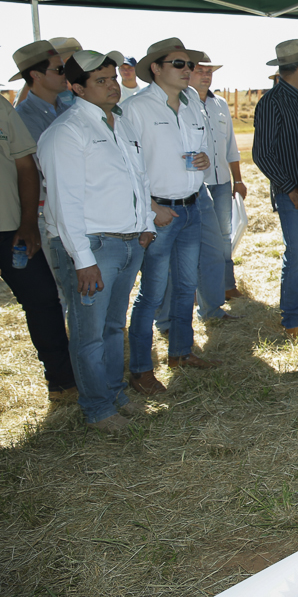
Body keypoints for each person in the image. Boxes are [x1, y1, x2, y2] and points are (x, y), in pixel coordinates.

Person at [40, 50, 155, 433]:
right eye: (101, 81)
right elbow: (64, 200)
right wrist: (82, 259)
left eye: (112, 79)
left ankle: (114, 393)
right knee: (89, 334)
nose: (112, 87)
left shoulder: (119, 124)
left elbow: (137, 180)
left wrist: (145, 224)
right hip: (91, 246)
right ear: (76, 88)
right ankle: (97, 407)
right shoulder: (66, 132)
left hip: (125, 242)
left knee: (110, 328)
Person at [123, 38, 218, 394]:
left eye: (189, 65)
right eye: (179, 64)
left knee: (185, 287)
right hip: (160, 212)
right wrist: (151, 209)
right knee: (151, 292)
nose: (187, 70)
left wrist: (205, 162)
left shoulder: (193, 103)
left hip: (191, 206)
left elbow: (202, 149)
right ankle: (141, 369)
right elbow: (128, 168)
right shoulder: (136, 108)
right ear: (156, 69)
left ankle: (180, 352)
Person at [1, 64, 75, 404]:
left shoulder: (2, 108)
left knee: (44, 301)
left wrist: (28, 221)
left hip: (11, 228)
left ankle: (62, 382)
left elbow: (25, 165)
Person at [253, 39, 298, 339]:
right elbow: (262, 154)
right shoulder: (271, 102)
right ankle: (291, 317)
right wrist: (289, 188)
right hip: (292, 193)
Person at [191, 58, 246, 312]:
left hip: (222, 181)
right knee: (201, 239)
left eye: (209, 71)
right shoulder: (184, 105)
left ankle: (226, 284)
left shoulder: (220, 104)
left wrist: (239, 179)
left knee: (224, 235)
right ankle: (198, 290)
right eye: (200, 71)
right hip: (196, 186)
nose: (205, 76)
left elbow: (230, 147)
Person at [12, 36, 81, 142]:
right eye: (60, 69)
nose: (66, 74)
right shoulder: (22, 118)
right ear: (36, 75)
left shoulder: (70, 109)